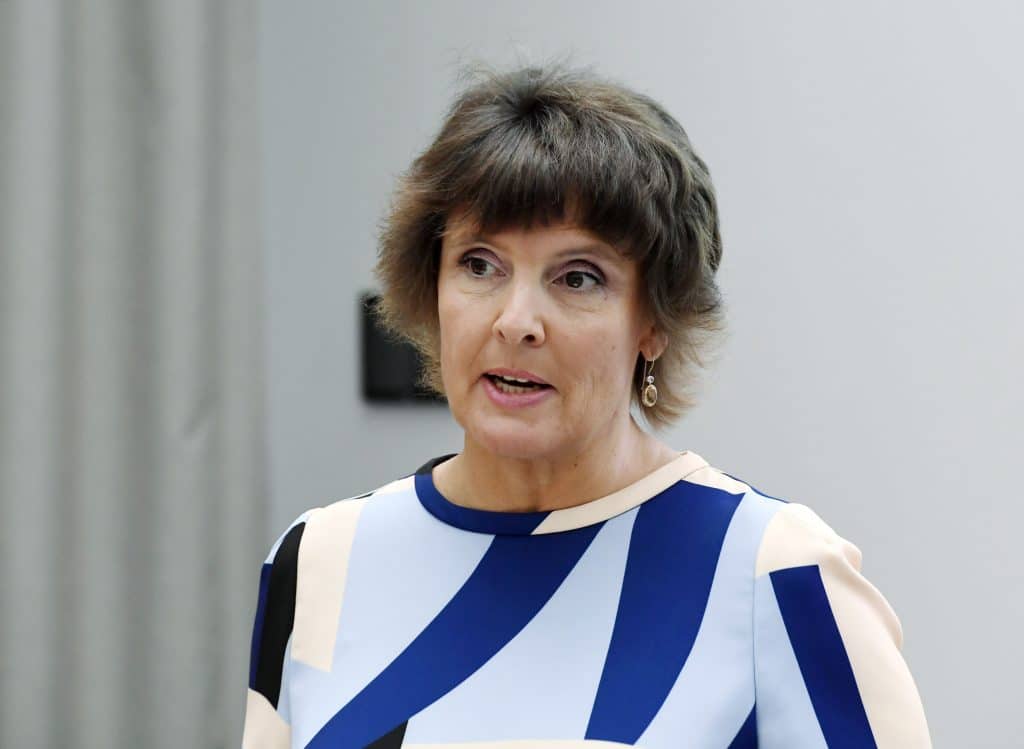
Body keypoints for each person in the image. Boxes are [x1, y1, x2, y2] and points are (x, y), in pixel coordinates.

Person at [242, 62, 932, 748]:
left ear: (654, 321)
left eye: (577, 278)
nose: (517, 321)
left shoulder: (776, 573)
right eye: (480, 264)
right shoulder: (320, 560)